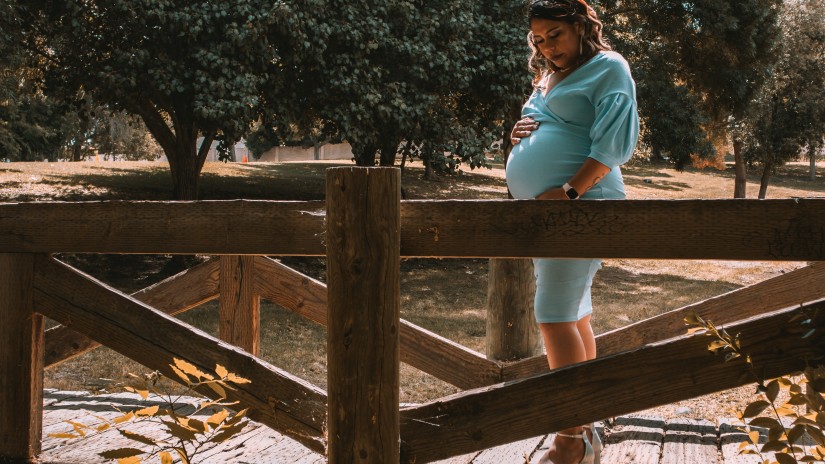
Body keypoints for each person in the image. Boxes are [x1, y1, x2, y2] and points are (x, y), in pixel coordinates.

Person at [506, 1, 639, 463]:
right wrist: (519, 134)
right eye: (538, 40)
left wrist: (568, 192)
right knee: (574, 313)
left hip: (580, 207)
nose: (546, 47)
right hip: (554, 214)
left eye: (555, 35)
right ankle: (584, 426)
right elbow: (553, 126)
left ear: (581, 26)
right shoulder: (550, 76)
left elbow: (612, 144)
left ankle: (570, 439)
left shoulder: (608, 66)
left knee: (554, 315)